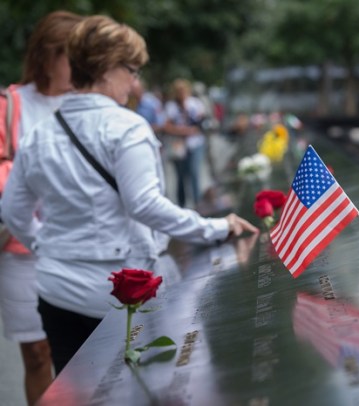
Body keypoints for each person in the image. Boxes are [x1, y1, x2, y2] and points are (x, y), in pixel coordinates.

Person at [1, 15, 258, 375]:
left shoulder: (39, 135)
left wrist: (45, 246)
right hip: (115, 292)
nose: (136, 82)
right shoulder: (127, 128)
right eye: (132, 69)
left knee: (73, 389)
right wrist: (215, 227)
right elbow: (145, 205)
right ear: (106, 69)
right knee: (137, 385)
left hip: (55, 290)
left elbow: (13, 211)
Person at [0, 10, 83, 405]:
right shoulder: (11, 104)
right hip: (22, 248)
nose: (80, 66)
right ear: (46, 56)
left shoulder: (88, 105)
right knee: (37, 355)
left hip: (80, 245)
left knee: (81, 355)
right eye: (72, 56)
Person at [163, 79, 207, 207]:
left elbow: (202, 122)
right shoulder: (171, 106)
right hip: (179, 146)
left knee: (194, 172)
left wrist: (193, 129)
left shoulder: (195, 104)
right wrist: (182, 131)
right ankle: (181, 205)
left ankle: (198, 204)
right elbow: (167, 126)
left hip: (195, 143)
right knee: (181, 176)